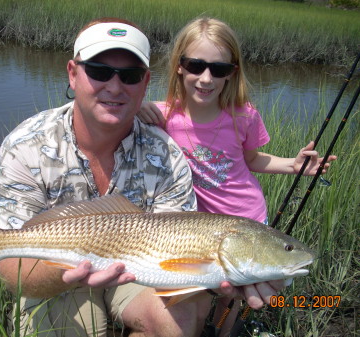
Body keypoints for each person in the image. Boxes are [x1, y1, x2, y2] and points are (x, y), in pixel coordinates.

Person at [0, 17, 284, 337]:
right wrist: (70, 273)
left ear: (145, 83)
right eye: (99, 71)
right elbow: (12, 268)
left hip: (140, 273)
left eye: (129, 76)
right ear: (73, 74)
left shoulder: (169, 157)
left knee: (181, 319)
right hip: (56, 274)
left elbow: (179, 259)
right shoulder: (25, 147)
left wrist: (222, 281)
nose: (114, 87)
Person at [137, 17, 337, 336]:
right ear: (178, 66)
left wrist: (294, 165)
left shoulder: (243, 115)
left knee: (229, 301)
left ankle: (221, 332)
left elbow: (253, 159)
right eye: (195, 65)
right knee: (198, 290)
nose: (206, 78)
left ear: (233, 71)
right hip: (196, 230)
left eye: (219, 69)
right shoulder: (162, 115)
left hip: (247, 219)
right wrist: (137, 107)